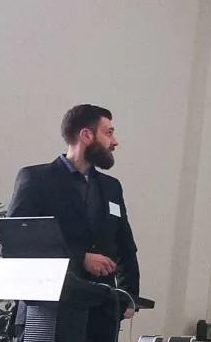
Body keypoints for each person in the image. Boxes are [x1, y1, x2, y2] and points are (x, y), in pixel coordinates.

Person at [8, 104, 140, 342]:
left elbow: (125, 246)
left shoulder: (111, 187)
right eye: (108, 133)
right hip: (48, 315)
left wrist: (128, 296)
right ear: (86, 135)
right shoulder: (36, 179)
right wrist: (80, 258)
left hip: (101, 315)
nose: (115, 141)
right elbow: (18, 242)